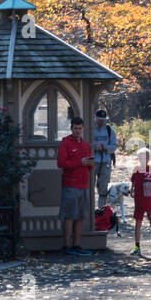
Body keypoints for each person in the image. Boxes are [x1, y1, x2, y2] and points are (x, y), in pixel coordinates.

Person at [57, 116, 94, 256]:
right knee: (69, 216)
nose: (78, 131)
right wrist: (80, 162)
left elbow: (89, 166)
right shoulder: (65, 143)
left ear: (83, 129)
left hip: (83, 185)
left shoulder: (85, 145)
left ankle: (77, 245)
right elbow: (61, 163)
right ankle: (66, 246)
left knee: (80, 217)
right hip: (70, 185)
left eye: (80, 128)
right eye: (75, 128)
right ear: (71, 128)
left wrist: (90, 164)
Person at [129, 147, 151, 257]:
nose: (143, 159)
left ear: (149, 158)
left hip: (150, 201)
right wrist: (131, 189)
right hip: (139, 200)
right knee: (138, 223)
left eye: (145, 157)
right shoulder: (136, 169)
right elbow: (133, 182)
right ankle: (137, 246)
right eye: (141, 157)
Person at [91, 108, 118, 202]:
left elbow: (114, 146)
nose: (101, 121)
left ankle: (101, 210)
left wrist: (104, 147)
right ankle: (91, 210)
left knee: (103, 188)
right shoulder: (89, 128)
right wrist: (93, 146)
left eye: (103, 119)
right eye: (99, 119)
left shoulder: (110, 130)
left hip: (105, 161)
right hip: (92, 161)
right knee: (90, 186)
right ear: (95, 117)